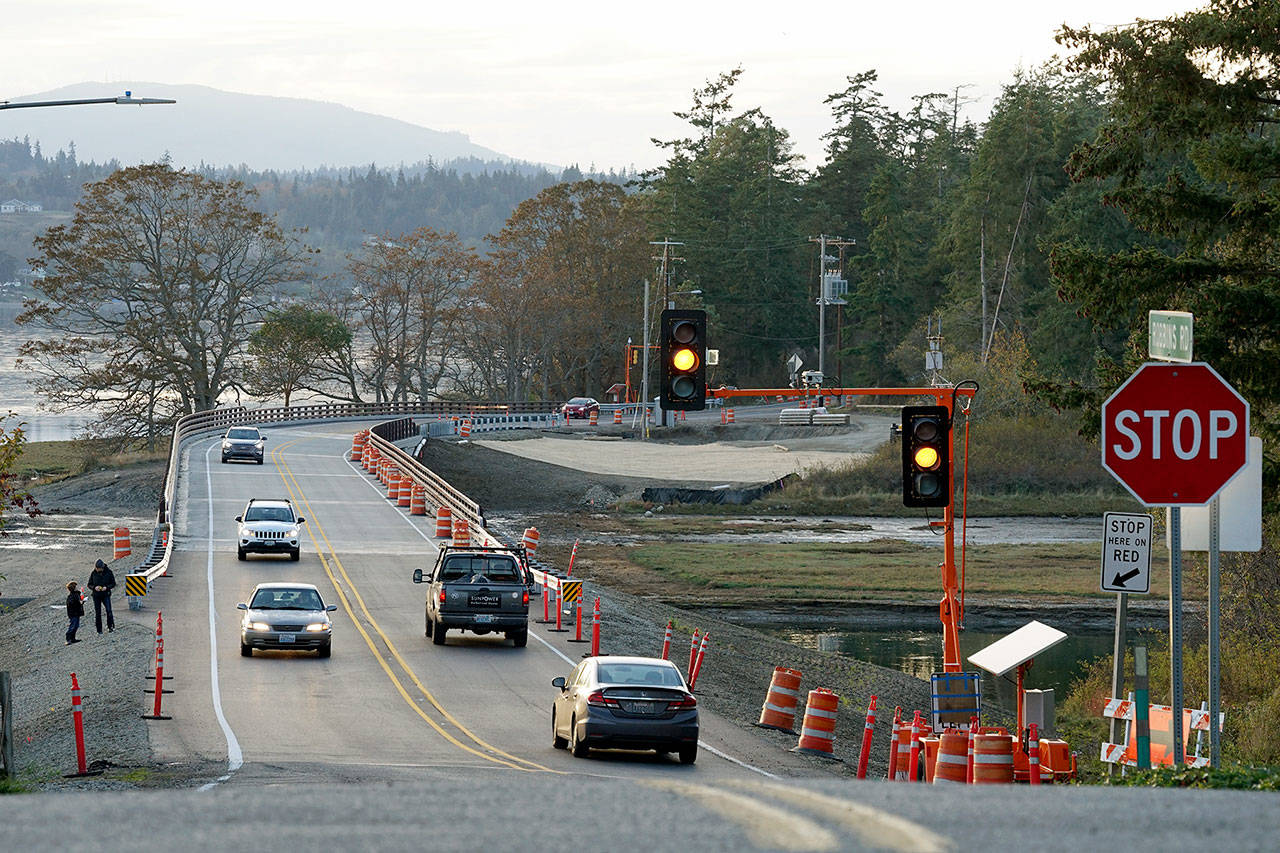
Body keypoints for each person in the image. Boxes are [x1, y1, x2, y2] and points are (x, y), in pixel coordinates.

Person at [87, 558, 116, 634]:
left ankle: (111, 627)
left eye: (98, 568)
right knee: (98, 613)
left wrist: (106, 587)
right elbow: (89, 584)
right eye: (96, 568)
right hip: (96, 595)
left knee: (109, 610)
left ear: (102, 567)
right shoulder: (93, 573)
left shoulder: (109, 572)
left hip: (106, 594)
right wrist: (94, 587)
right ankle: (99, 630)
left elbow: (113, 583)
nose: (97, 570)